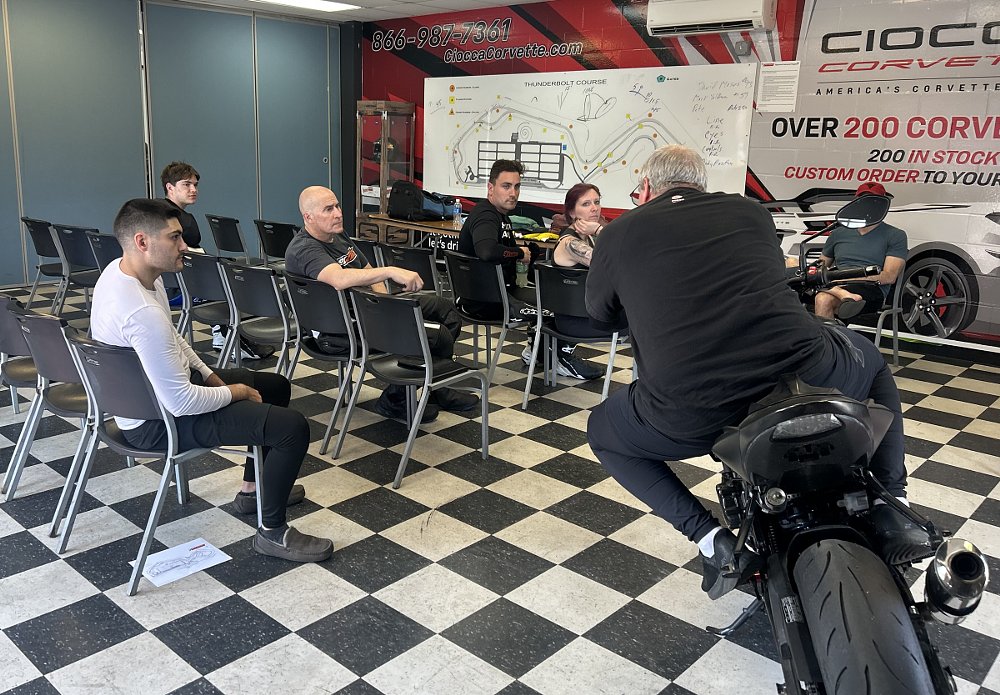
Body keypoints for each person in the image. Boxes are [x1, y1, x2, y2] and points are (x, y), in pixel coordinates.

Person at [585, 145, 930, 600]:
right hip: (808, 372)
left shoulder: (616, 235)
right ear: (700, 183)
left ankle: (713, 541)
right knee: (870, 358)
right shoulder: (749, 212)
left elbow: (600, 316)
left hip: (694, 409)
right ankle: (895, 505)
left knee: (603, 431)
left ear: (646, 187)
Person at [90, 198, 332, 563]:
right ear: (142, 242)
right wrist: (234, 391)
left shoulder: (127, 274)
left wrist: (209, 374)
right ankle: (273, 533)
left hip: (151, 397)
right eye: (174, 238)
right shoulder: (140, 312)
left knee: (276, 386)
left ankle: (254, 490)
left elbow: (174, 339)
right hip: (157, 422)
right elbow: (182, 403)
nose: (184, 246)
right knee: (291, 428)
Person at [285, 186, 479, 423]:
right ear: (308, 217)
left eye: (337, 206)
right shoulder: (305, 249)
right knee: (437, 336)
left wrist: (386, 303)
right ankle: (396, 399)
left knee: (444, 310)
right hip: (338, 330)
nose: (338, 213)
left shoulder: (336, 235)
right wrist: (390, 271)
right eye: (328, 209)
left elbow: (367, 270)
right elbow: (339, 279)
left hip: (365, 310)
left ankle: (433, 388)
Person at [160, 161, 272, 361]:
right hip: (180, 287)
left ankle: (222, 335)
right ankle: (233, 337)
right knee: (238, 281)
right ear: (170, 187)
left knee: (224, 273)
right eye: (186, 184)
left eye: (195, 185)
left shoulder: (169, 214)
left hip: (175, 283)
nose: (193, 189)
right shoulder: (175, 219)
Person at [456, 159, 541, 326]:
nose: (513, 193)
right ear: (490, 188)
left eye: (517, 187)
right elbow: (487, 251)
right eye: (506, 186)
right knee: (555, 305)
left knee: (548, 296)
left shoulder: (500, 215)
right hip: (485, 300)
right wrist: (519, 252)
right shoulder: (486, 216)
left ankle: (537, 350)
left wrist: (525, 252)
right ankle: (538, 351)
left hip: (491, 293)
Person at [543, 183, 612, 380]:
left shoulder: (588, 238)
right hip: (573, 321)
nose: (594, 208)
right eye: (586, 204)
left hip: (585, 314)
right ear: (572, 212)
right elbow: (610, 263)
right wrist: (600, 229)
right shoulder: (570, 243)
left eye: (597, 202)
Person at [814, 181, 907, 319]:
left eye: (873, 201)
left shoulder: (895, 235)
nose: (867, 206)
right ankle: (839, 293)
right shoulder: (838, 233)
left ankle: (827, 341)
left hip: (870, 288)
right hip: (837, 284)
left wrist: (849, 276)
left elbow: (889, 276)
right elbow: (820, 266)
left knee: (823, 299)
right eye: (863, 201)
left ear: (882, 206)